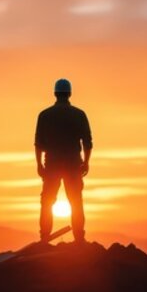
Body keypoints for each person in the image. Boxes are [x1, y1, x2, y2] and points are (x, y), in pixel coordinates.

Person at [34, 78, 93, 243]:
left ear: (55, 93)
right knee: (75, 201)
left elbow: (38, 143)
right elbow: (87, 142)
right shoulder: (79, 115)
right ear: (69, 93)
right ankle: (79, 238)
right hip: (73, 164)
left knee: (47, 201)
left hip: (52, 165)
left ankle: (44, 237)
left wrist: (38, 164)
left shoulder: (44, 115)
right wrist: (86, 162)